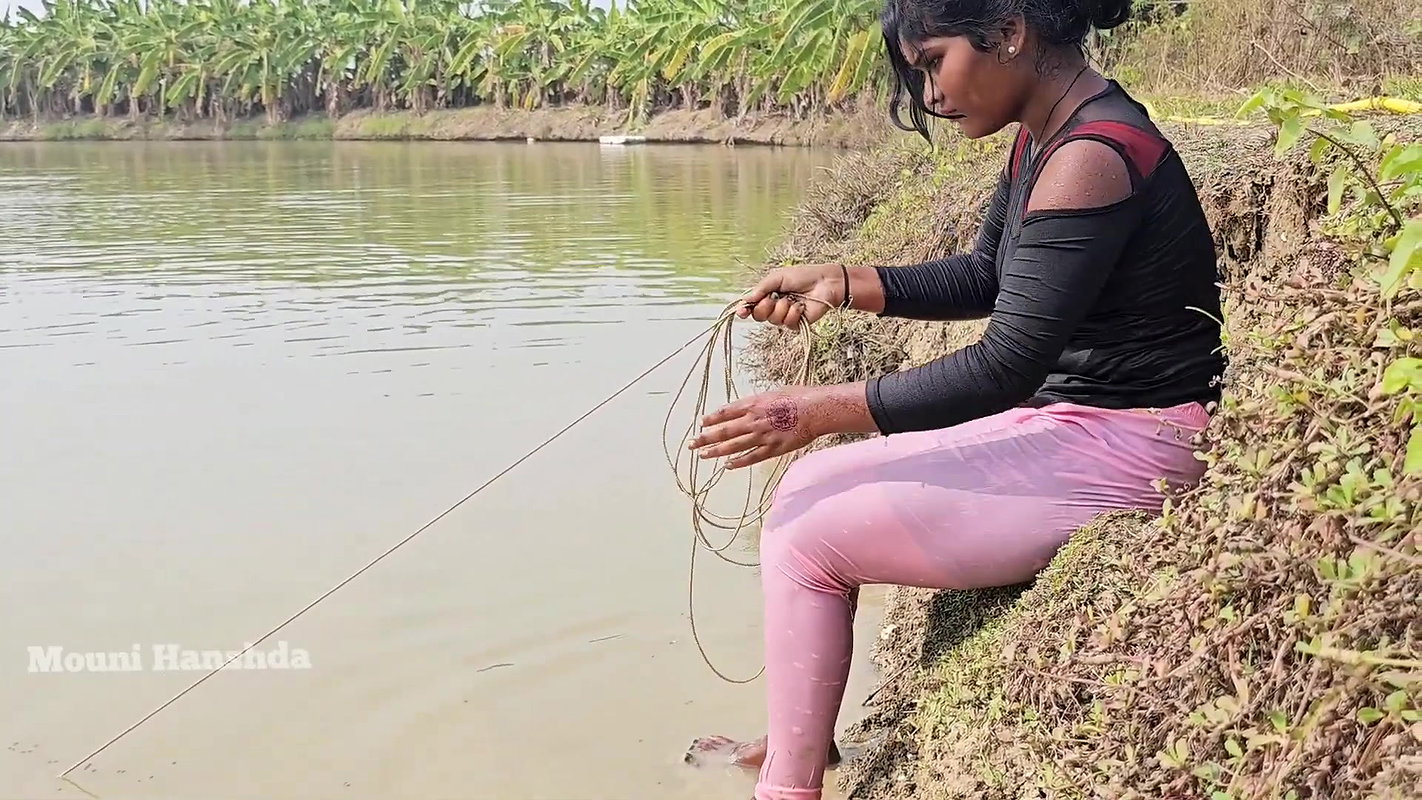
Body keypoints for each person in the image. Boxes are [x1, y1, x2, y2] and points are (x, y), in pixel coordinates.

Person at [682, 0, 1226, 797]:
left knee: (808, 540)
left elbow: (1006, 364)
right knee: (802, 492)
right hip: (1079, 423)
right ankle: (800, 740)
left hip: (1137, 441)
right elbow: (988, 278)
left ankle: (787, 786)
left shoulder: (1092, 157)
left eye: (934, 61)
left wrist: (810, 412)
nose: (930, 92)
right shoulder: (1048, 137)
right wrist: (840, 281)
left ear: (1008, 32)